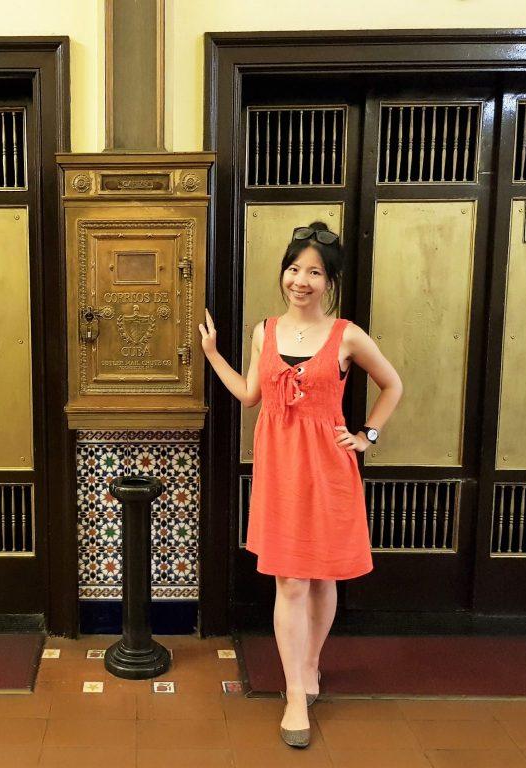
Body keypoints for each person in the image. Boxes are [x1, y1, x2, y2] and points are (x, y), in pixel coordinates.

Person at [198, 221, 403, 749]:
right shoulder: (264, 331)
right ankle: (294, 694)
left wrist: (366, 435)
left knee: (323, 576)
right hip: (279, 471)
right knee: (290, 580)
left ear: (329, 280)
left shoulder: (347, 334)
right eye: (294, 269)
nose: (301, 280)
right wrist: (214, 354)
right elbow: (249, 395)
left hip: (328, 470)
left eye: (314, 271)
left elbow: (392, 384)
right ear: (283, 274)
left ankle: (310, 665)